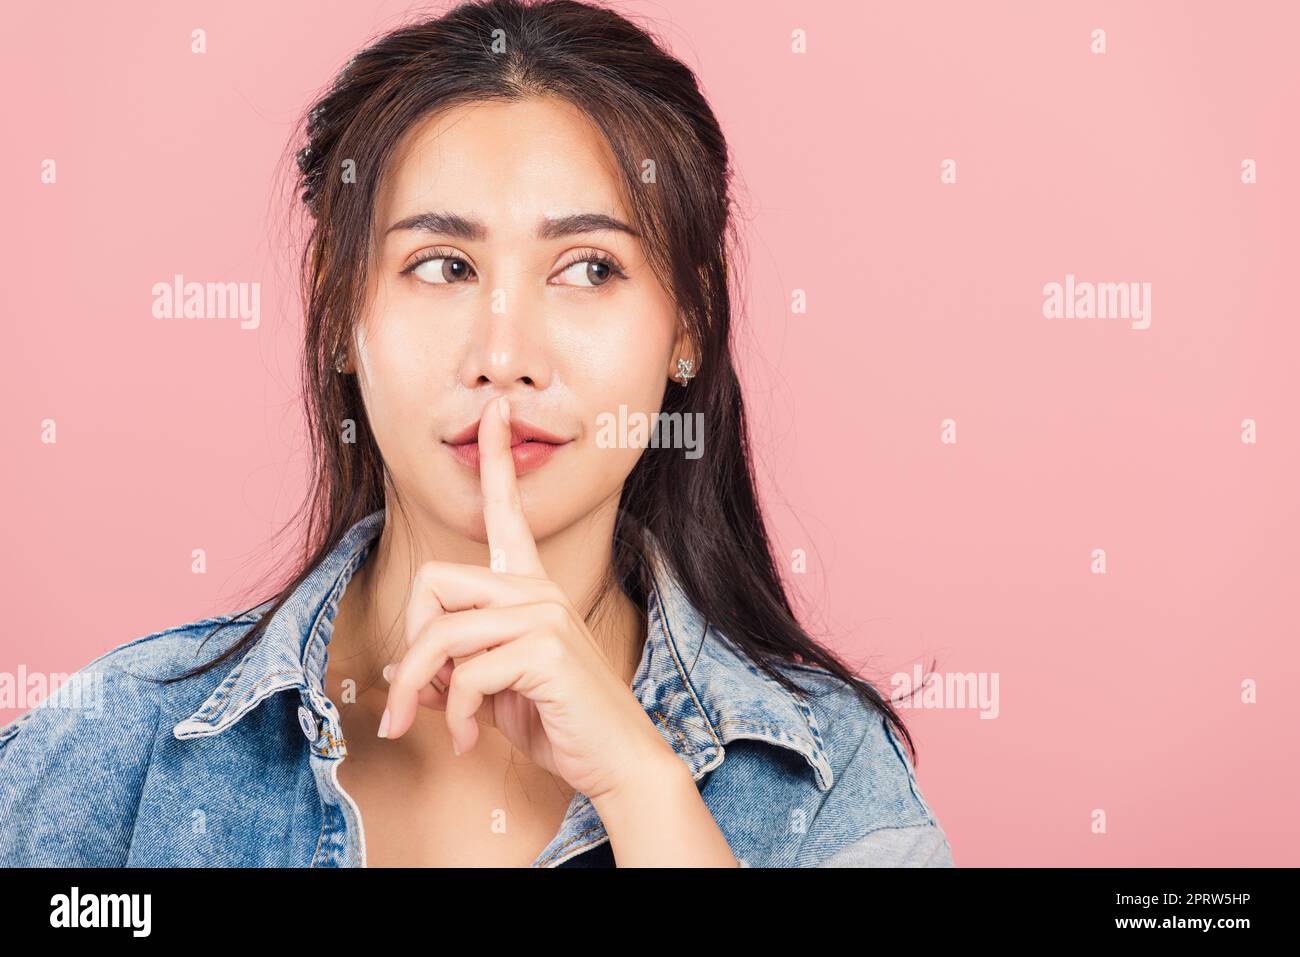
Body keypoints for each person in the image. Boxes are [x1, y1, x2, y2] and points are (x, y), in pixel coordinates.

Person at [0, 0, 953, 868]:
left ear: (690, 325)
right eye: (443, 265)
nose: (505, 354)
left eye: (587, 268)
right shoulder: (119, 749)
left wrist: (646, 790)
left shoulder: (830, 788)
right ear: (337, 313)